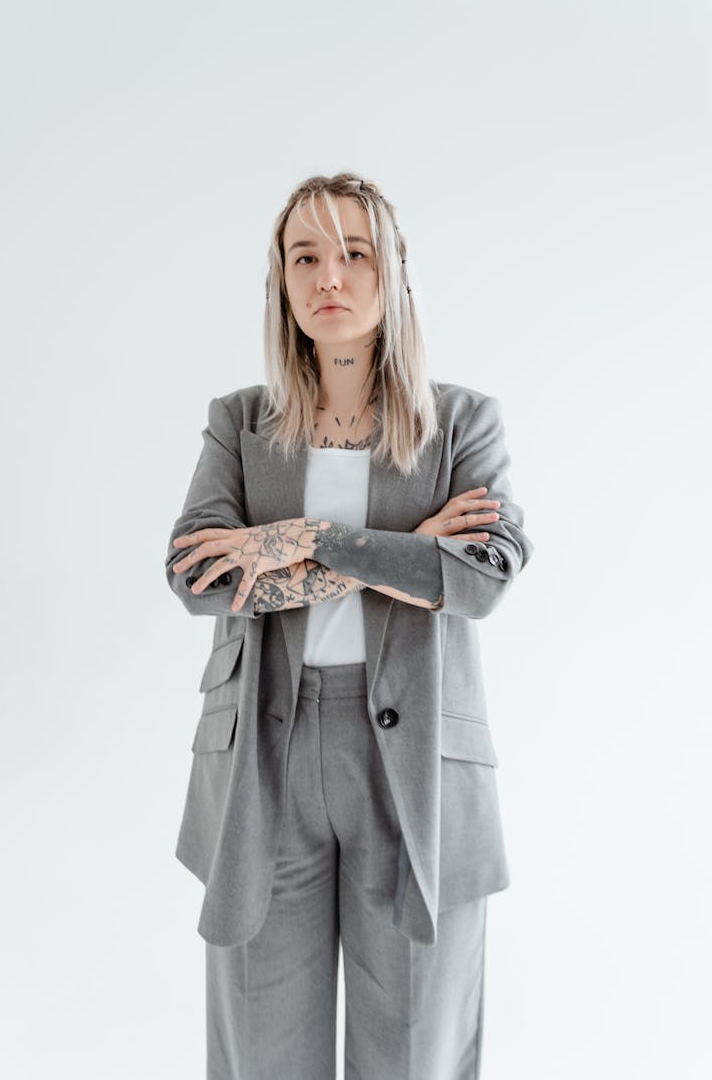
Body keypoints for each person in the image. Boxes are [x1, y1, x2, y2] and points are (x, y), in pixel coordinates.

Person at [164, 172, 534, 1080]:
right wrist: (400, 553)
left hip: (417, 772)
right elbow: (199, 575)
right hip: (265, 763)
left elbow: (478, 581)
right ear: (282, 282)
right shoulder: (239, 424)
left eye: (355, 253)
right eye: (306, 256)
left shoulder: (460, 424)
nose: (330, 274)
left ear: (394, 273)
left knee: (416, 1052)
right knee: (263, 1053)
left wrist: (302, 540)